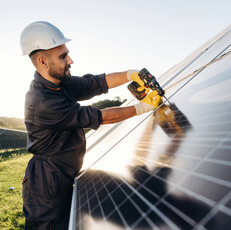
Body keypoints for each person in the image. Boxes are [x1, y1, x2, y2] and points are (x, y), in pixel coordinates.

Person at [19, 21, 163, 230]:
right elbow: (97, 116)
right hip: (46, 189)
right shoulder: (42, 102)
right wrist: (140, 108)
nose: (70, 60)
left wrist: (130, 74)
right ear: (42, 61)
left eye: (66, 53)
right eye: (62, 56)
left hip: (62, 174)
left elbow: (97, 83)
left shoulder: (61, 83)